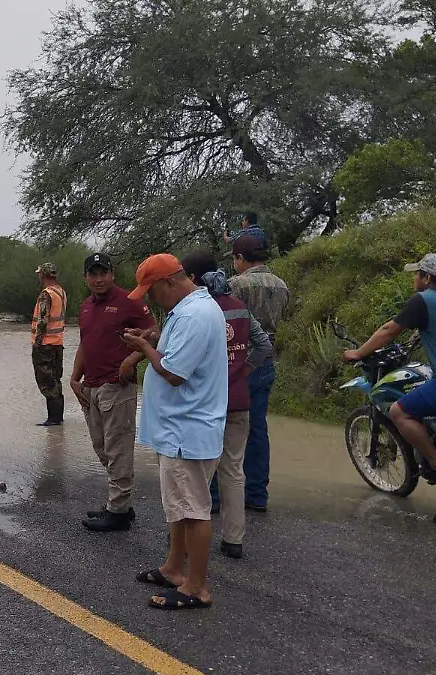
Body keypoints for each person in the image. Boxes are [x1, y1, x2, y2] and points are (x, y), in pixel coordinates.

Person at [121, 254, 227, 610]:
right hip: (178, 428)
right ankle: (174, 567)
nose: (150, 299)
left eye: (151, 291)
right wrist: (151, 338)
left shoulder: (196, 314)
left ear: (169, 283)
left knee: (194, 509)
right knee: (179, 507)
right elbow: (174, 355)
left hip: (188, 429)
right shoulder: (187, 310)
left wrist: (144, 349)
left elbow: (174, 372)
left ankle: (197, 586)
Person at [181, 251, 273, 559]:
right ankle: (234, 540)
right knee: (233, 471)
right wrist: (242, 371)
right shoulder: (239, 308)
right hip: (239, 401)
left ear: (192, 278)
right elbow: (264, 346)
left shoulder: (194, 311)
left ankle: (188, 542)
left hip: (205, 405)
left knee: (198, 473)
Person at [343, 253, 436, 483]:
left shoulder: (424, 300)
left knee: (400, 412)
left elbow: (389, 330)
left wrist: (358, 353)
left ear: (426, 278)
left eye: (417, 274)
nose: (414, 279)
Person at [71, 253, 158, 532]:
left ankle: (118, 511)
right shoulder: (85, 307)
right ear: (85, 277)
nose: (98, 280)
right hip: (91, 386)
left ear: (112, 274)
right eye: (93, 274)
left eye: (103, 273)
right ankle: (120, 502)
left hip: (117, 386)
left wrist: (131, 360)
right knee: (102, 448)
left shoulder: (129, 300)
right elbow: (85, 344)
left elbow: (154, 332)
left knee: (118, 448)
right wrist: (74, 378)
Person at [228, 234, 289, 511]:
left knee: (225, 427)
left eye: (234, 258)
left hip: (238, 360)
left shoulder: (236, 285)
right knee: (258, 427)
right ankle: (256, 494)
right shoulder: (281, 285)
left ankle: (218, 494)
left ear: (240, 258)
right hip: (266, 360)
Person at [32, 262, 68, 426]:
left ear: (43, 275)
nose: (38, 276)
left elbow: (43, 320)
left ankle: (53, 419)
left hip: (45, 345)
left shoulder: (46, 294)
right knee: (55, 379)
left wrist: (37, 342)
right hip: (57, 343)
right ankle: (57, 417)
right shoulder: (61, 292)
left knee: (47, 380)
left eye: (39, 274)